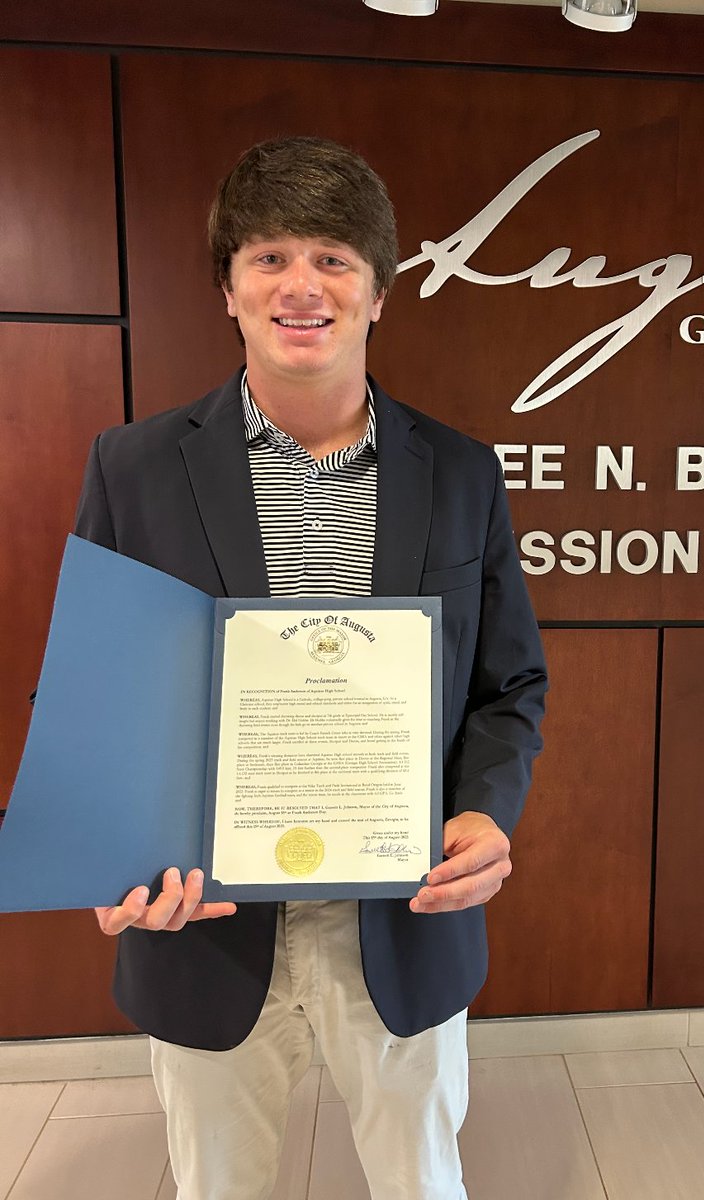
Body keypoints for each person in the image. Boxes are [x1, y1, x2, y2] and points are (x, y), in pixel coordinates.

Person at [74, 136, 547, 1200]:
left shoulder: (463, 472)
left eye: (334, 258)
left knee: (423, 1182)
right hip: (202, 917)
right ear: (229, 290)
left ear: (380, 292)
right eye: (270, 256)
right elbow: (96, 697)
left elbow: (509, 686)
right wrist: (110, 857)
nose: (302, 286)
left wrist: (489, 812)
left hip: (402, 910)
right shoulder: (135, 465)